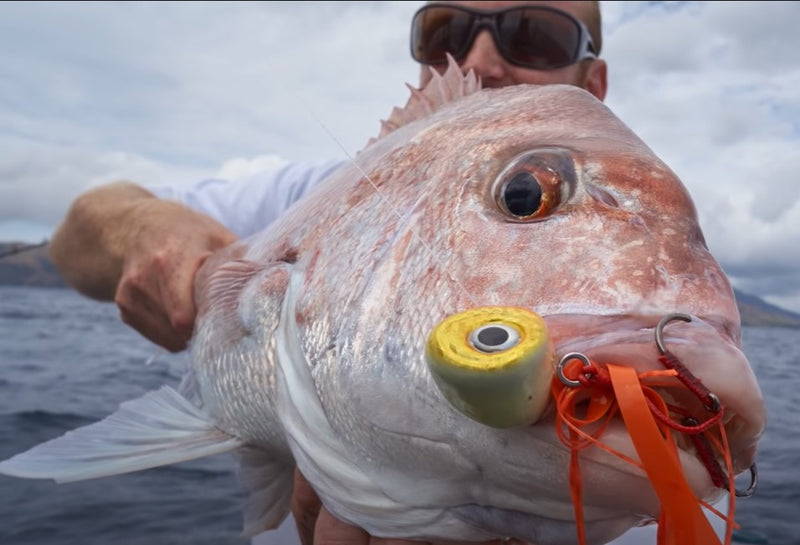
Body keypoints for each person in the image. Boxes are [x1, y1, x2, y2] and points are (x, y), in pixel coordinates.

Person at [50, 1, 676, 544]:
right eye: (445, 34)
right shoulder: (305, 194)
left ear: (592, 81)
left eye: (536, 36)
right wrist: (141, 229)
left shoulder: (654, 267)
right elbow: (78, 230)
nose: (480, 59)